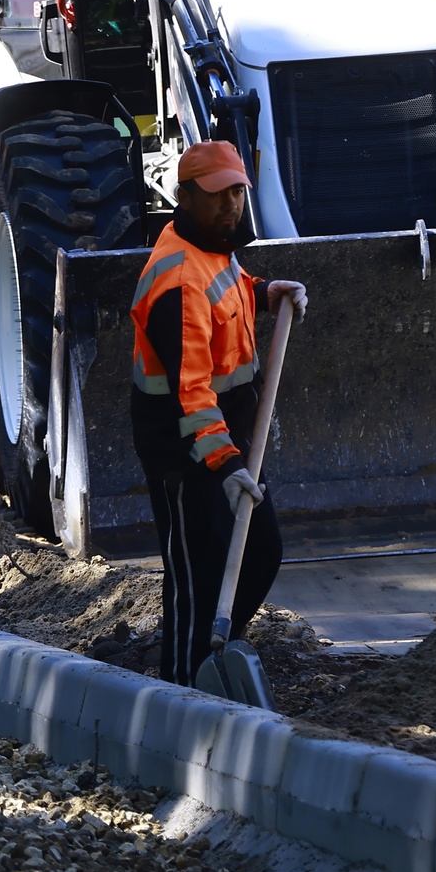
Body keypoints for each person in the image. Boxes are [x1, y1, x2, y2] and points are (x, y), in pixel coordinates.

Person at [130, 141, 308, 687]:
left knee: (262, 552)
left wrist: (263, 291)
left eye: (237, 190)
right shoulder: (177, 280)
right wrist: (227, 465)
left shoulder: (214, 247)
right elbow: (191, 392)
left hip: (227, 443)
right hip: (187, 454)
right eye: (217, 194)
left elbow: (226, 298)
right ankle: (182, 693)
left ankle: (214, 658)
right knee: (196, 580)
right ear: (185, 197)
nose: (232, 203)